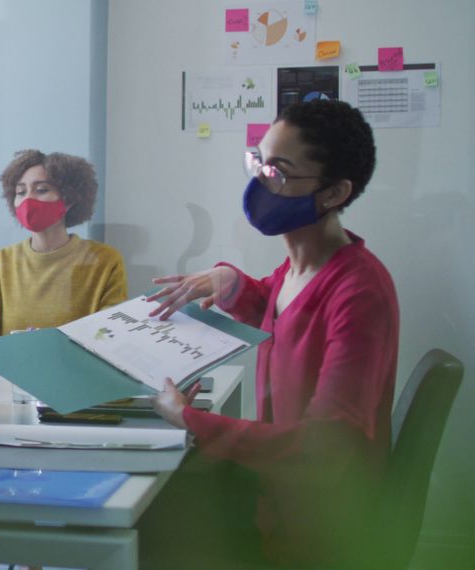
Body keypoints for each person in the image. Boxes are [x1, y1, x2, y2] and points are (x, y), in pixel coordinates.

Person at [141, 100, 398, 568]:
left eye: (278, 170)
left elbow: (325, 451)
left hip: (317, 527)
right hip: (281, 495)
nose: (259, 180)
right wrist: (232, 283)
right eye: (257, 161)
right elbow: (288, 314)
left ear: (334, 192)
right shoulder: (301, 266)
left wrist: (190, 420)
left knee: (155, 519)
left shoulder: (360, 291)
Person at [0, 149, 127, 336]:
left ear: (69, 199)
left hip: (76, 365)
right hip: (14, 365)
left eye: (41, 190)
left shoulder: (105, 260)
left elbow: (110, 333)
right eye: (20, 192)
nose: (28, 200)